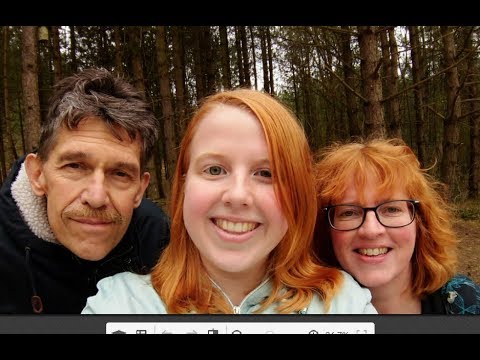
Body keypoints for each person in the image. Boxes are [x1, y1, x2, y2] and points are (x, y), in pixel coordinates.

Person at [82, 89, 376, 314]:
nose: (237, 195)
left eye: (265, 173)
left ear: (296, 194)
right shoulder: (119, 306)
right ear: (183, 185)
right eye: (214, 169)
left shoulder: (343, 304)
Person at [0, 68, 170, 314]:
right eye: (75, 166)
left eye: (120, 173)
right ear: (37, 174)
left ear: (139, 189)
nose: (97, 197)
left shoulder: (156, 238)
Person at [314, 137, 480, 314]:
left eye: (391, 209)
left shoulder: (462, 302)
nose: (371, 230)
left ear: (420, 221)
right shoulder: (301, 313)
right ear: (327, 230)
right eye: (349, 212)